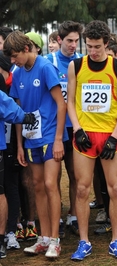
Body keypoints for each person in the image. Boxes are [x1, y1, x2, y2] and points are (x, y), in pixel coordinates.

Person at [68, 20, 117, 261]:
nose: (92, 51)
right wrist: (77, 128)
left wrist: (115, 136)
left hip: (110, 135)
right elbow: (70, 101)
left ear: (107, 44)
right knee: (82, 189)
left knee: (115, 189)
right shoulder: (76, 66)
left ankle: (116, 240)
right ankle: (84, 241)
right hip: (85, 135)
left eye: (97, 47)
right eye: (89, 46)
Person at [4, 30, 67, 258]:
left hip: (50, 136)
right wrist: (19, 145)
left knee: (51, 185)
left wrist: (59, 139)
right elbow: (18, 113)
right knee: (38, 187)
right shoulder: (18, 73)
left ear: (26, 49)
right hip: (31, 140)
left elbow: (61, 104)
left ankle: (56, 240)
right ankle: (43, 237)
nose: (12, 61)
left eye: (14, 56)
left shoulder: (45, 67)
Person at [44, 20, 83, 237]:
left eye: (77, 41)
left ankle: (74, 216)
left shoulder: (81, 62)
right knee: (55, 176)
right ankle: (56, 216)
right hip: (54, 128)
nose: (73, 45)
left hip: (76, 127)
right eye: (69, 40)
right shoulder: (48, 61)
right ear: (59, 40)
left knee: (76, 175)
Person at [0, 52, 36, 259]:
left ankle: (10, 232)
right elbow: (13, 111)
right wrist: (27, 116)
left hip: (9, 146)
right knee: (3, 191)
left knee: (9, 187)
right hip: (3, 146)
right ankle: (3, 237)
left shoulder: (10, 85)